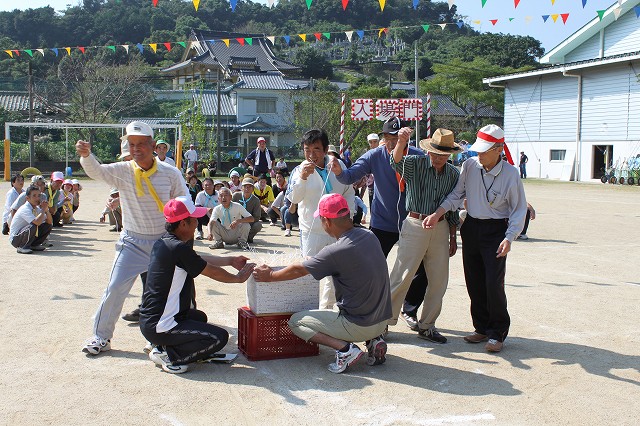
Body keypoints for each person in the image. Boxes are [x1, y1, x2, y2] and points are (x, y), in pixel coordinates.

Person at [76, 120, 188, 355]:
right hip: (132, 242)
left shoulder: (171, 173)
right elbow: (97, 171)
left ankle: (156, 338)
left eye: (141, 144)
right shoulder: (122, 171)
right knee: (115, 288)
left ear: (153, 145)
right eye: (131, 144)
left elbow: (184, 201)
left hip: (162, 243)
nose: (136, 149)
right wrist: (87, 156)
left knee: (161, 295)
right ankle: (101, 337)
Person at [253, 193, 391, 374]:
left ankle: (345, 350)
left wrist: (270, 275)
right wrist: (318, 260)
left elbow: (298, 270)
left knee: (296, 322)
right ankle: (374, 340)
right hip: (381, 321)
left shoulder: (335, 251)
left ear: (327, 221)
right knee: (350, 301)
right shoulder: (369, 236)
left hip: (359, 325)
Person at [423, 124, 527, 353]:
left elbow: (519, 210)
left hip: (496, 231)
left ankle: (497, 332)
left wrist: (509, 237)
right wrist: (438, 213)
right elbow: (457, 194)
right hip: (471, 227)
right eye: (478, 150)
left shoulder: (510, 174)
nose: (479, 154)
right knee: (474, 281)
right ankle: (481, 327)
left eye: (484, 150)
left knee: (493, 283)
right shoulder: (470, 166)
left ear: (499, 149)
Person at [331, 116, 429, 329]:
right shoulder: (375, 155)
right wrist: (339, 171)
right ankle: (377, 316)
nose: (392, 142)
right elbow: (350, 176)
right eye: (387, 137)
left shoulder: (419, 157)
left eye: (396, 137)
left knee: (421, 268)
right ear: (383, 138)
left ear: (406, 136)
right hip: (382, 222)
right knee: (373, 268)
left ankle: (409, 309)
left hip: (411, 223)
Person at [140, 196, 255, 374]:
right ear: (183, 224)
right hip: (161, 325)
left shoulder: (166, 243)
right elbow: (211, 271)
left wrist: (230, 260)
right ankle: (169, 355)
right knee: (218, 338)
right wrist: (238, 278)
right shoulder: (179, 248)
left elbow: (196, 259)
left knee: (199, 317)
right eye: (194, 219)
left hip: (151, 321)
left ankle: (161, 344)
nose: (197, 223)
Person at [387, 128, 461, 343]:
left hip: (441, 227)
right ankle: (384, 322)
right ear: (428, 151)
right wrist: (401, 142)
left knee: (438, 280)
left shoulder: (453, 174)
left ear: (449, 155)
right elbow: (395, 162)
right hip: (415, 223)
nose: (438, 158)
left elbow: (453, 207)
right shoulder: (414, 164)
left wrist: (453, 236)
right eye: (435, 153)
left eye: (443, 154)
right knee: (401, 276)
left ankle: (427, 325)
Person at [289, 129, 355, 309]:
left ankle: (325, 312)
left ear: (325, 149)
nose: (311, 155)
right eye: (307, 150)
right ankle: (307, 314)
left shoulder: (337, 164)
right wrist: (302, 179)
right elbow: (294, 199)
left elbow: (348, 191)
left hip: (337, 230)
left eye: (316, 149)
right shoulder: (298, 170)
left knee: (334, 274)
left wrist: (348, 216)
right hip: (312, 231)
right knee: (309, 272)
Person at [9, 184, 53, 254]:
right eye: (34, 196)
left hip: (25, 234)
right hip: (16, 239)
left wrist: (46, 210)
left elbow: (50, 222)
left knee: (47, 225)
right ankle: (22, 247)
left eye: (39, 196)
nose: (37, 198)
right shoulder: (25, 209)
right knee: (33, 225)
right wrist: (43, 209)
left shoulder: (36, 208)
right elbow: (37, 222)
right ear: (27, 198)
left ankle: (34, 245)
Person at [232, 178, 263, 243]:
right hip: (234, 221)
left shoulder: (256, 200)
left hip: (248, 222)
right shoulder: (235, 196)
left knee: (258, 225)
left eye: (249, 187)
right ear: (241, 188)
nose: (247, 189)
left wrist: (243, 221)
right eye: (245, 186)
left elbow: (256, 217)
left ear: (253, 189)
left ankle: (248, 237)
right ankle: (231, 238)